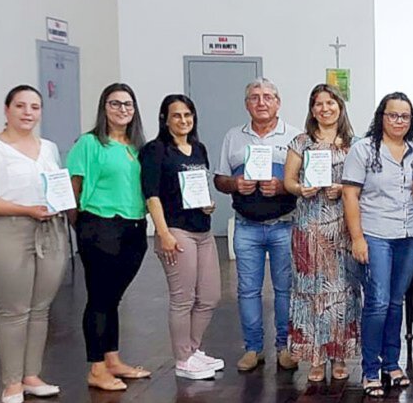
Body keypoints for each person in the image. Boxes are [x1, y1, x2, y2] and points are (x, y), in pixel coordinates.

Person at [0, 85, 70, 403]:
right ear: (7, 109)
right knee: (14, 311)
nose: (28, 113)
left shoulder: (49, 148)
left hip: (49, 231)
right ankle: (11, 382)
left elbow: (55, 186)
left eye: (35, 107)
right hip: (7, 232)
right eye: (21, 106)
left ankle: (31, 376)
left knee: (40, 309)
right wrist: (25, 210)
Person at [67, 82, 150, 391]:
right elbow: (72, 190)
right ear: (104, 108)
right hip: (99, 227)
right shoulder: (89, 144)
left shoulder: (136, 147)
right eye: (115, 104)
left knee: (112, 299)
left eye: (127, 104)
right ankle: (97, 367)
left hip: (134, 228)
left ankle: (112, 359)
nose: (122, 110)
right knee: (99, 298)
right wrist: (84, 227)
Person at [213, 78, 299, 372]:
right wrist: (235, 183)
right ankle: (253, 349)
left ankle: (284, 347)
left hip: (284, 225)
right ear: (246, 103)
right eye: (254, 97)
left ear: (278, 102)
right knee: (248, 290)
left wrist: (284, 187)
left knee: (285, 290)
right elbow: (219, 179)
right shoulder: (233, 137)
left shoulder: (295, 137)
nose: (261, 102)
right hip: (246, 226)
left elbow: (305, 182)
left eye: (267, 97)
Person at [343, 92, 413, 398]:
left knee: (395, 301)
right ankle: (370, 368)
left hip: (409, 235)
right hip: (375, 234)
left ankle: (391, 362)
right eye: (393, 115)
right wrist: (357, 238)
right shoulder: (364, 150)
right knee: (377, 301)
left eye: (405, 116)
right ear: (381, 116)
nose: (398, 121)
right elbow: (350, 195)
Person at [139, 94, 222, 381]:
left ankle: (193, 349)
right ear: (165, 119)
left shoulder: (198, 148)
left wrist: (208, 203)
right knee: (182, 298)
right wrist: (162, 233)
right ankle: (182, 358)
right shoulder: (155, 151)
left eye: (188, 115)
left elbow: (199, 187)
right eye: (177, 115)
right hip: (176, 230)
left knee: (210, 296)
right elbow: (151, 195)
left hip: (203, 228)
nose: (183, 120)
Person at [283, 84, 361, 382]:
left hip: (343, 226)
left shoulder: (354, 144)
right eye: (318, 104)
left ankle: (339, 355)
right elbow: (288, 181)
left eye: (330, 103)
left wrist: (343, 188)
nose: (324, 108)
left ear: (340, 107)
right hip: (309, 226)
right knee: (310, 292)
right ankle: (315, 358)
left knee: (343, 291)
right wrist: (301, 188)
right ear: (311, 109)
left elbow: (362, 184)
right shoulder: (300, 142)